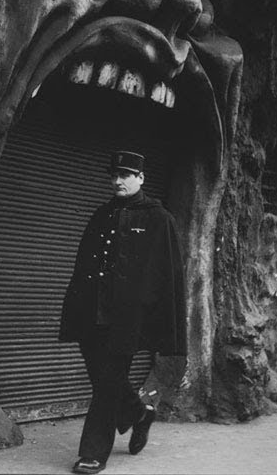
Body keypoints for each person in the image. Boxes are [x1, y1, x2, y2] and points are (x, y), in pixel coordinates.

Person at [59, 150, 187, 475]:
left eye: (126, 175)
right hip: (93, 314)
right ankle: (138, 413)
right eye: (114, 174)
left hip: (127, 320)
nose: (118, 181)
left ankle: (93, 453)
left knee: (106, 383)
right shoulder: (101, 215)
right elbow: (84, 266)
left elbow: (167, 275)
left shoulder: (159, 219)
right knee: (103, 377)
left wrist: (151, 316)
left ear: (141, 178)